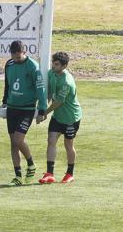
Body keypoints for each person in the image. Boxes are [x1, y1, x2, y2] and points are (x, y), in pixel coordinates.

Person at [2, 40, 47, 186]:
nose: (16, 60)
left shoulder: (33, 66)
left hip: (26, 109)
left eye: (18, 57)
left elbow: (40, 88)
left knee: (18, 140)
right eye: (14, 57)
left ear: (24, 52)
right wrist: (5, 100)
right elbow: (7, 84)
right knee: (13, 144)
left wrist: (42, 109)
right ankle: (18, 176)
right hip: (12, 108)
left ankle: (31, 164)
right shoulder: (9, 65)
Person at [38, 52, 82, 184]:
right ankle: (49, 173)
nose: (53, 66)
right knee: (51, 140)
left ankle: (70, 174)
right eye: (53, 63)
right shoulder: (51, 73)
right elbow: (50, 91)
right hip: (58, 117)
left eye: (56, 64)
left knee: (68, 145)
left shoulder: (67, 82)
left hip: (70, 118)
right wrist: (42, 105)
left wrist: (45, 112)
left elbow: (58, 102)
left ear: (64, 66)